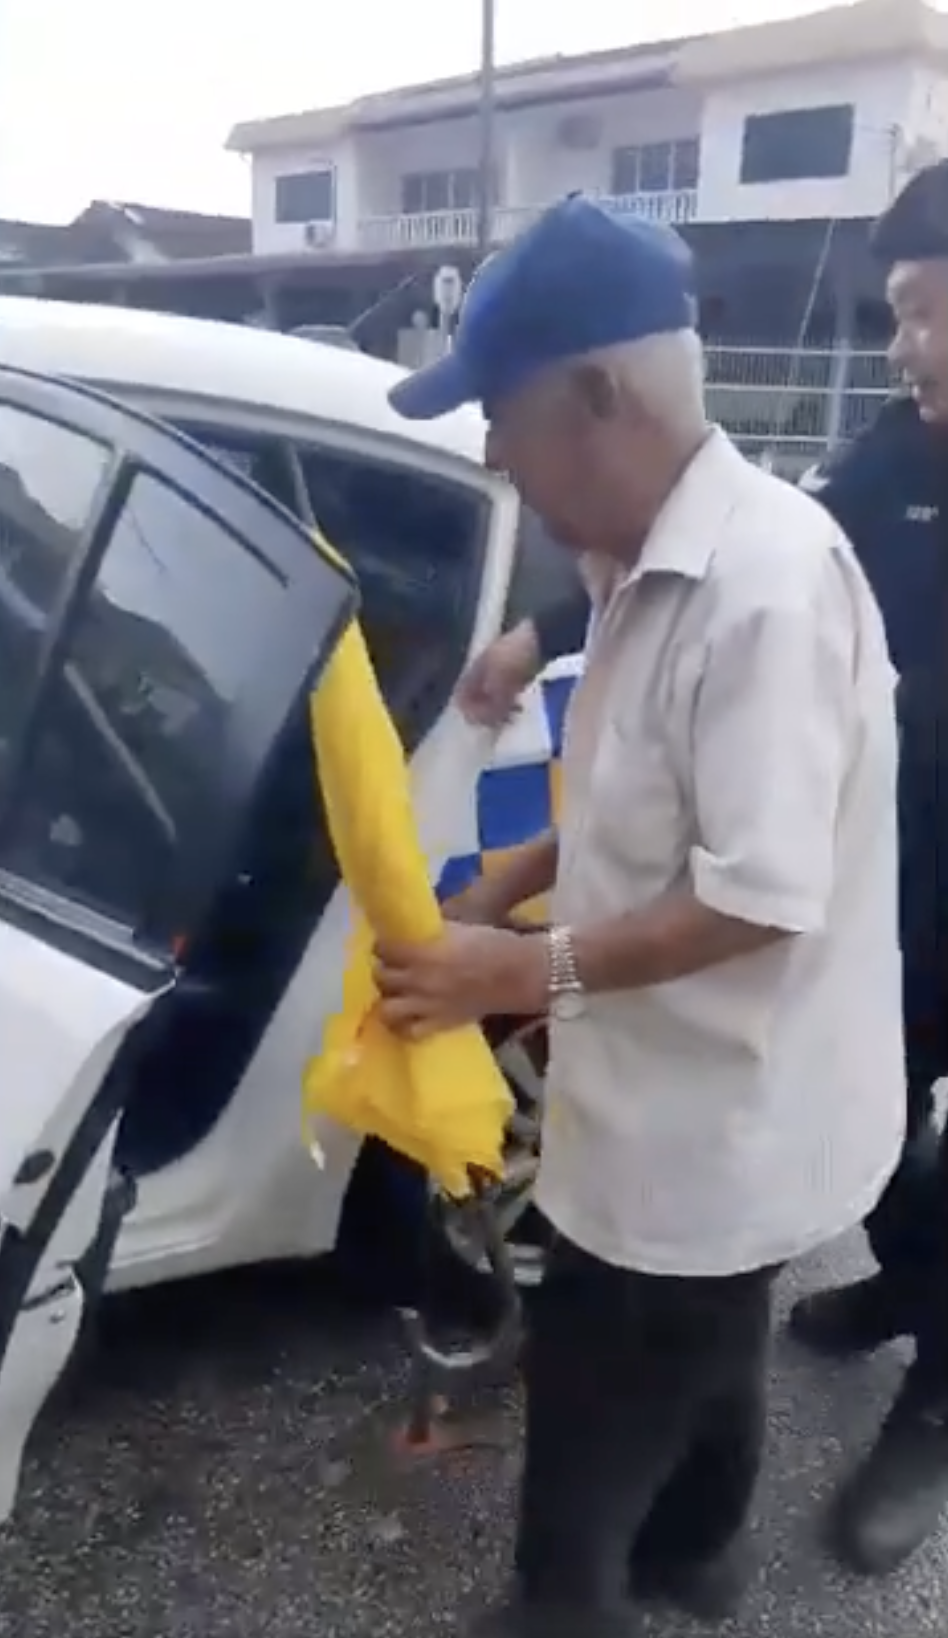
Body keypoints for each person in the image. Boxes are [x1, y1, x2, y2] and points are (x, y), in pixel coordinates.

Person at [376, 196, 906, 1638]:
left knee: (596, 1418)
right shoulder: (638, 562)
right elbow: (640, 794)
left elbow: (755, 893)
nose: (492, 452)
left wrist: (517, 961)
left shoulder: (767, 591)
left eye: (502, 413)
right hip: (708, 1104)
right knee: (715, 1339)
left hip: (709, 1122)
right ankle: (700, 1552)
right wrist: (518, 872)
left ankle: (575, 1602)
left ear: (600, 394)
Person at [785, 157, 948, 1576]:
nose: (902, 348)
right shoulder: (897, 455)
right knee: (873, 1117)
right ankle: (915, 1270)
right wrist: (544, 622)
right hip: (902, 893)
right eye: (896, 315)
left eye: (921, 313)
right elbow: (778, 559)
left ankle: (940, 1398)